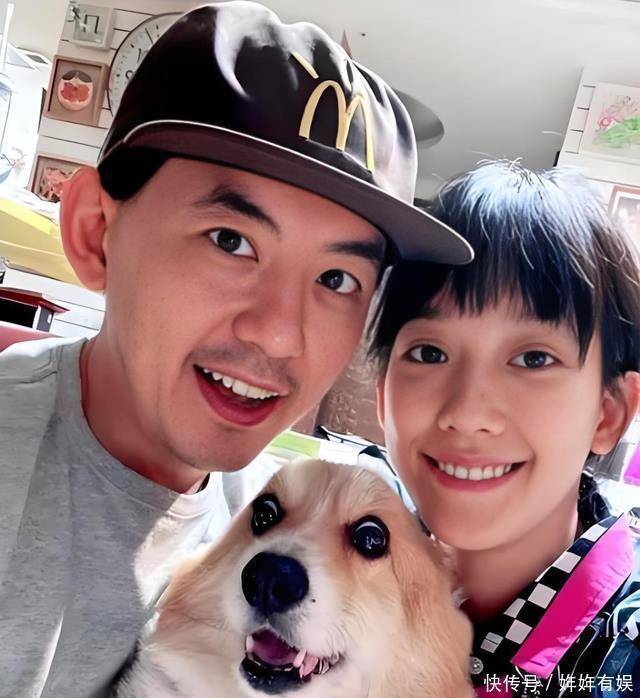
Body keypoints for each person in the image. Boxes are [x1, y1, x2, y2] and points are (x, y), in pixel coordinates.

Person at [0, 3, 472, 696]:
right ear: (96, 233)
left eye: (337, 279)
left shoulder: (266, 517)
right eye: (231, 241)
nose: (280, 333)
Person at [372, 161, 640, 697]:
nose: (468, 412)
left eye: (534, 359)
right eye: (429, 353)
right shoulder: (326, 577)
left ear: (608, 413)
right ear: (383, 397)